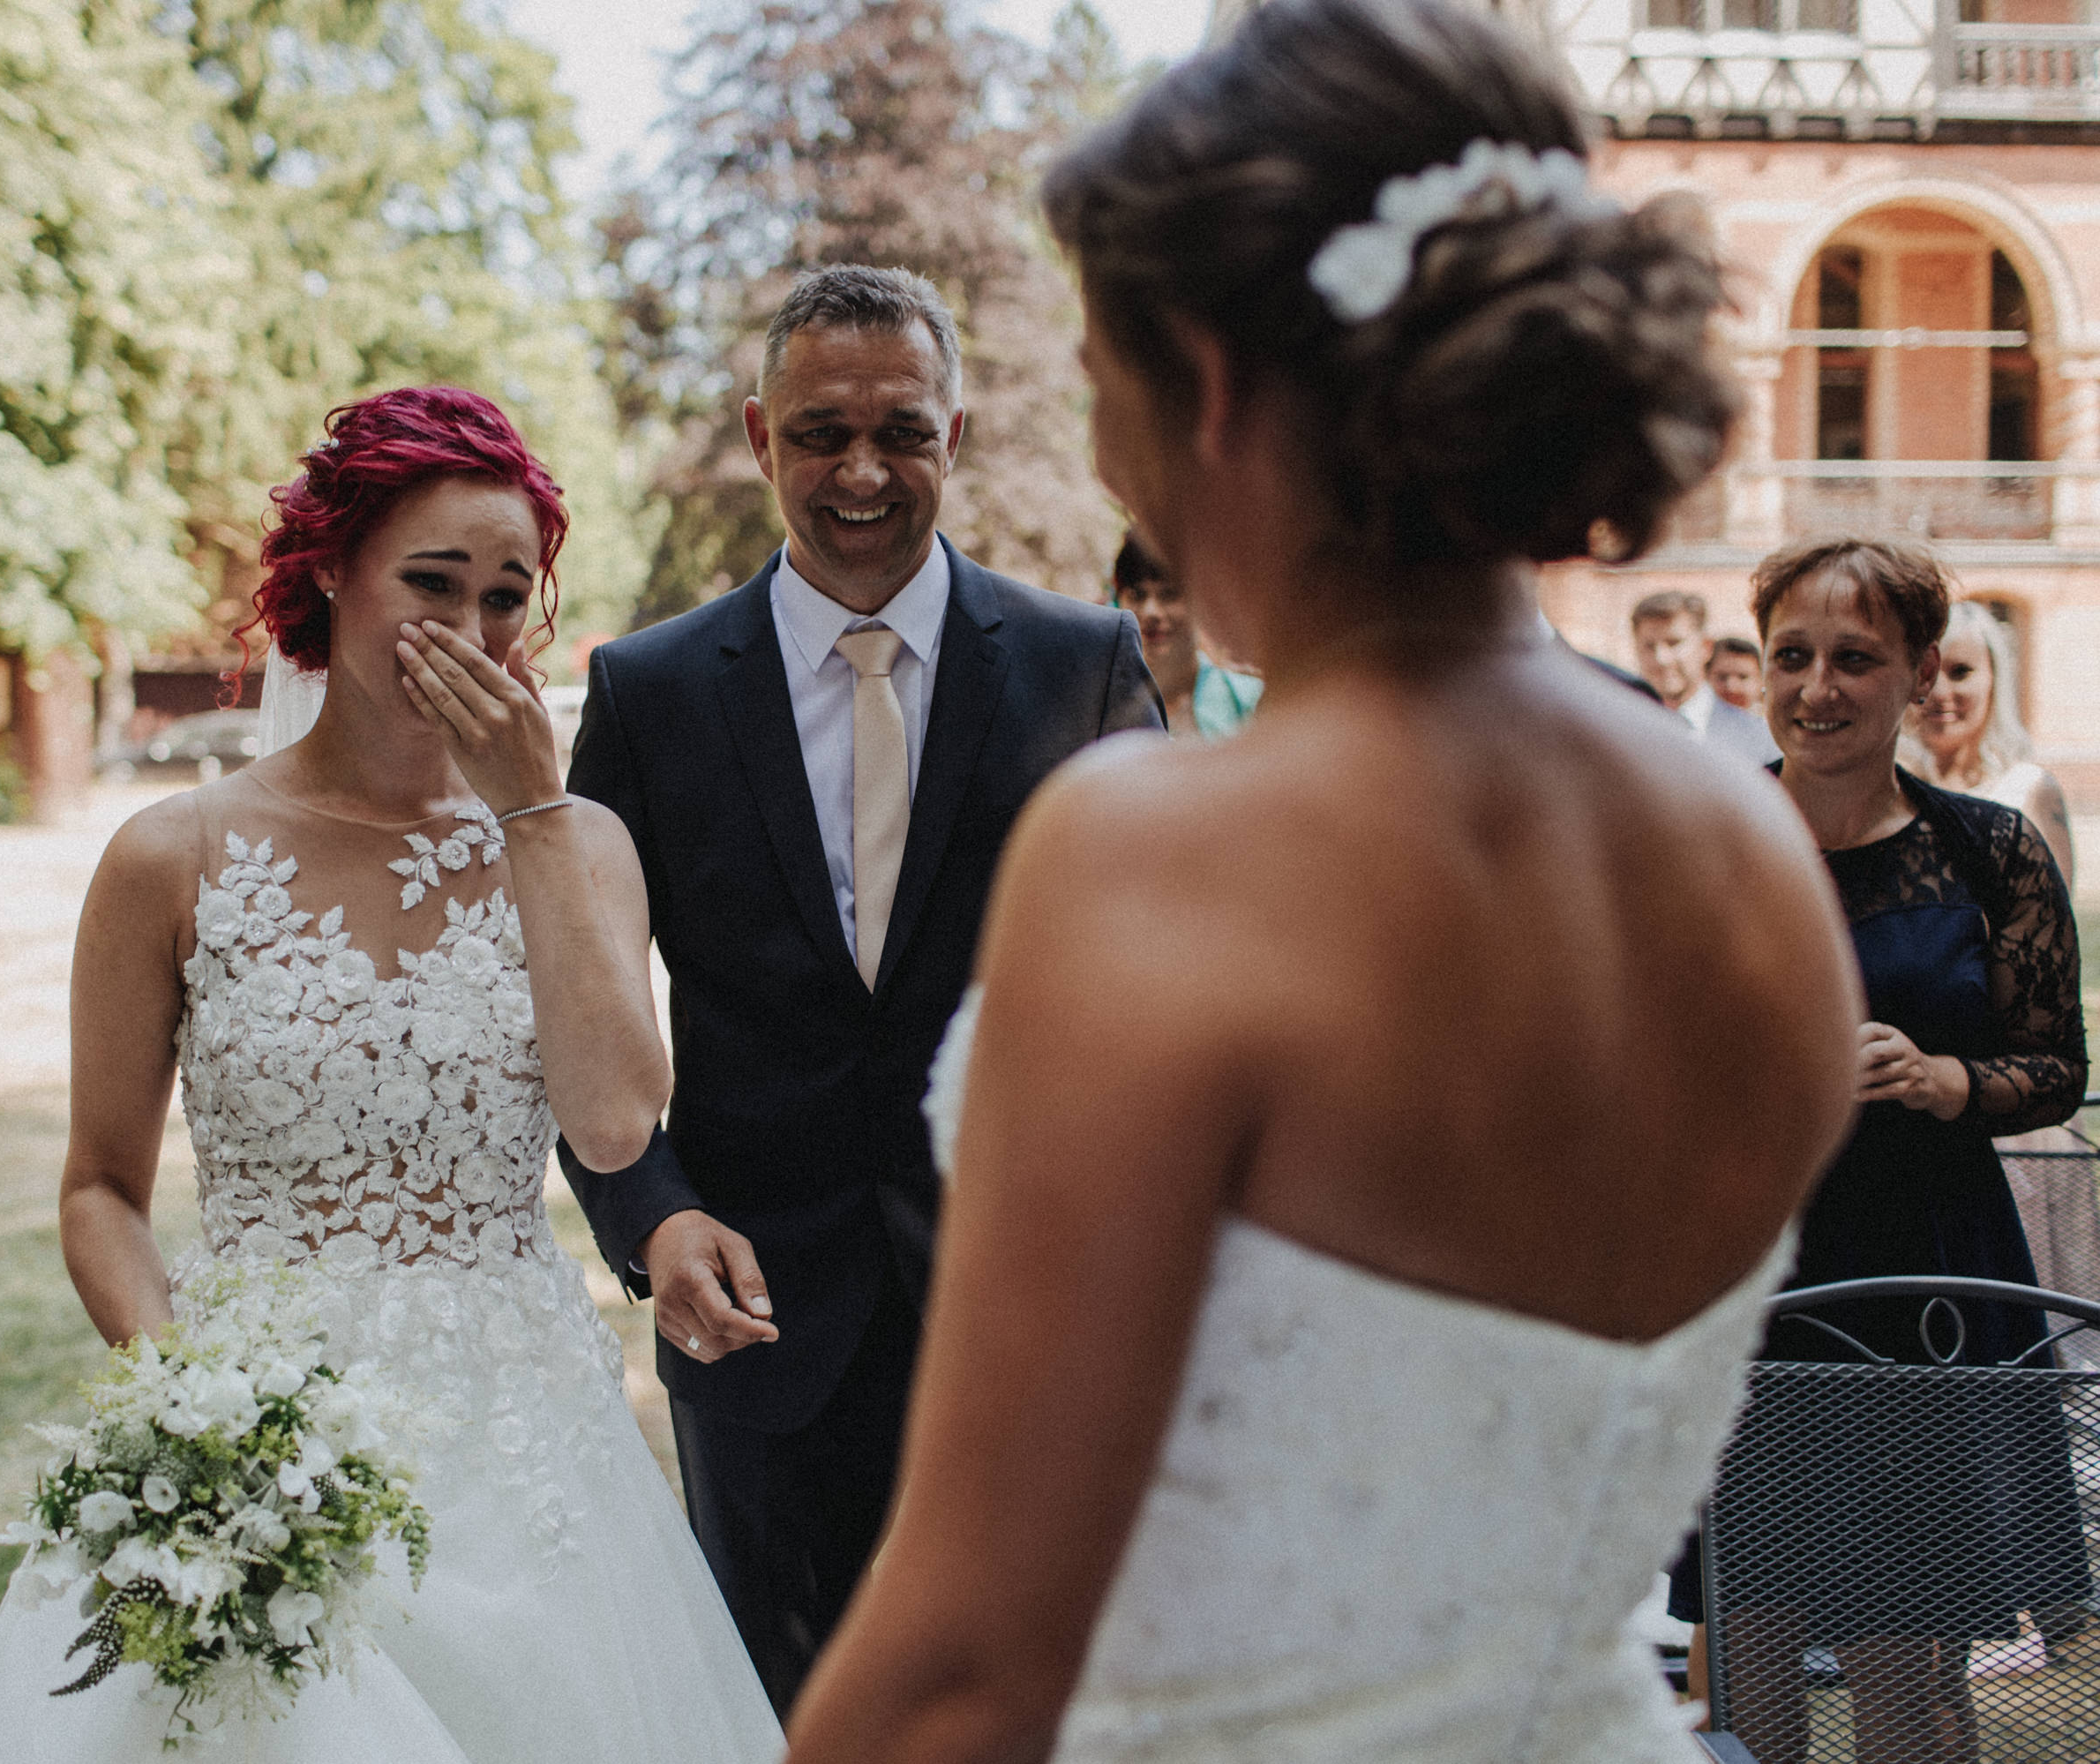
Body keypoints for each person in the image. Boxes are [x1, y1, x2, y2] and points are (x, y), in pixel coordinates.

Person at [783, 3, 1863, 1760]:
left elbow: (964, 1675)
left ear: (1202, 379)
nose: (1106, 443)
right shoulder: (1752, 867)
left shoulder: (1162, 853)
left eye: (1098, 375)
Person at [0, 388, 780, 1762]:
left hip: (523, 1447)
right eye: (429, 582)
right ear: (330, 571)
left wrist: (531, 812)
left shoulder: (579, 843)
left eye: (507, 596)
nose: (472, 629)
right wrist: (198, 1414)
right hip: (262, 1427)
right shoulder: (171, 855)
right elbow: (96, 1187)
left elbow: (616, 1124)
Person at [557, 264, 1162, 1715]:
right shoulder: (647, 693)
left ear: (952, 435)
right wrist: (647, 1219)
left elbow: (1166, 985)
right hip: (755, 1326)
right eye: (820, 432)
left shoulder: (1082, 667)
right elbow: (575, 998)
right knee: (781, 1718)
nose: (861, 469)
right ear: (759, 439)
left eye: (900, 428)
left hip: (1025, 1320)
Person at [1664, 537, 2091, 1764]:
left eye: (1854, 658)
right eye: (1790, 655)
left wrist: (1944, 1076)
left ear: (1915, 673)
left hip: (1922, 1282)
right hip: (1750, 1273)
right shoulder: (1699, 836)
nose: (1815, 686)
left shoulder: (1985, 850)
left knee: (1909, 1673)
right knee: (1745, 1661)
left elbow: (2051, 1062)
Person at [1905, 597, 2075, 890]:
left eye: (1960, 672)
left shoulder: (2029, 790)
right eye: (1926, 674)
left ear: (1995, 679)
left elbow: (2055, 922)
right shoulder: (1891, 789)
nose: (1940, 691)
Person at [1110, 532, 1263, 738]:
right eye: (1137, 595)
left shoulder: (1250, 701)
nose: (1151, 612)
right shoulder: (1101, 703)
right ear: (1118, 600)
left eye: (1169, 594)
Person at [1632, 588, 1781, 766]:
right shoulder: (1616, 732)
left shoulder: (1758, 738)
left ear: (1706, 647)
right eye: (1649, 646)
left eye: (1674, 643)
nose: (1661, 659)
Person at [1707, 633, 1763, 712]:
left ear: (1760, 682)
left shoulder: (1767, 723)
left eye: (1743, 677)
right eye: (1722, 677)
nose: (1732, 688)